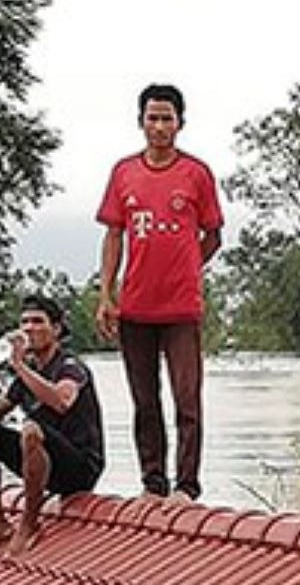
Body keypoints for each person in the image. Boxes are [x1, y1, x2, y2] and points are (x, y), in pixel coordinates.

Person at [94, 83, 224, 503]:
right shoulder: (123, 173)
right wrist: (106, 295)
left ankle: (186, 485)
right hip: (135, 308)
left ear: (180, 124)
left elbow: (214, 235)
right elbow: (114, 236)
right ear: (141, 122)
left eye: (168, 118)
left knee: (187, 400)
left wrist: (187, 266)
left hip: (182, 308)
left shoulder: (196, 174)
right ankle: (153, 482)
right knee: (144, 402)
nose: (160, 126)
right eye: (153, 117)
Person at [0, 295, 107, 560]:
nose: (29, 328)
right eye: (24, 322)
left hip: (78, 466)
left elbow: (62, 401)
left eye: (38, 322)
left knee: (30, 429)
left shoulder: (70, 367)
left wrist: (18, 366)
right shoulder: (26, 375)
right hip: (42, 457)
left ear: (56, 329)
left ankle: (29, 522)